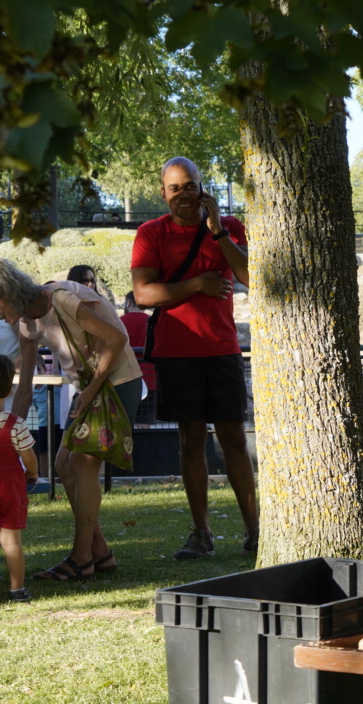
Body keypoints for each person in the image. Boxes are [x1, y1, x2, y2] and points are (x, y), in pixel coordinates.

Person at [131, 156, 258, 560]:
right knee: (191, 442)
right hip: (176, 351)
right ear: (163, 193)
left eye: (189, 186)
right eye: (174, 188)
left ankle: (255, 531)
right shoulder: (151, 233)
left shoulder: (229, 227)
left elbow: (249, 276)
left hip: (222, 348)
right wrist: (197, 284)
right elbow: (144, 294)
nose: (183, 195)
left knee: (235, 440)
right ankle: (201, 533)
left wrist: (218, 230)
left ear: (202, 187)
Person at [0, 259, 144, 583]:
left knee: (80, 464)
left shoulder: (62, 297)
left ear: (9, 292)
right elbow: (24, 387)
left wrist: (91, 388)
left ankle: (81, 560)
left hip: (117, 382)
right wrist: (10, 431)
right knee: (63, 464)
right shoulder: (26, 323)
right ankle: (101, 553)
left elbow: (116, 339)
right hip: (89, 389)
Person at [0, 354, 39, 602]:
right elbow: (29, 458)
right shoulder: (15, 425)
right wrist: (33, 474)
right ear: (9, 389)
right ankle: (17, 590)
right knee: (11, 542)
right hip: (9, 491)